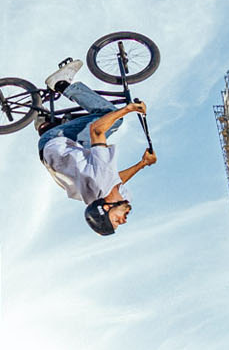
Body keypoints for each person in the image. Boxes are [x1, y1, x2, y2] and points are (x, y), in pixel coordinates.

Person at [37, 58, 157, 237]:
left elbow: (97, 130)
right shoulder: (106, 190)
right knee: (92, 143)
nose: (124, 220)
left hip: (55, 140)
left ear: (107, 207)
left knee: (110, 117)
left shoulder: (101, 179)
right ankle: (47, 122)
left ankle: (61, 84)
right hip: (56, 154)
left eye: (117, 220)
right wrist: (142, 164)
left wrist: (128, 109)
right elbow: (117, 180)